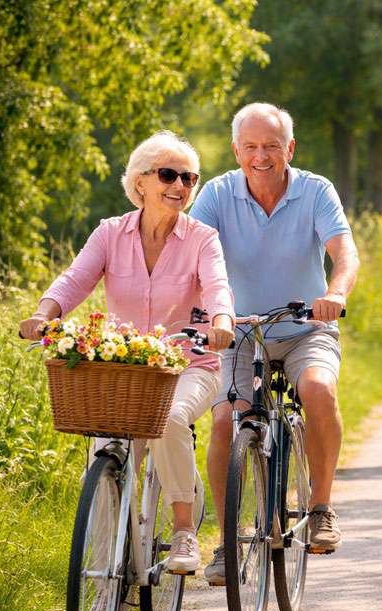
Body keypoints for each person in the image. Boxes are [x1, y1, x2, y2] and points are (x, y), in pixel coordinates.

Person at [19, 130, 235, 583]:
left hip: (188, 365)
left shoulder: (202, 238)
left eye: (189, 178)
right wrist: (44, 314)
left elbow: (217, 286)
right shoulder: (110, 233)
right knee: (99, 478)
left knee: (171, 419)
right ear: (140, 182)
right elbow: (75, 279)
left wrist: (222, 322)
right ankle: (102, 588)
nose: (180, 185)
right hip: (129, 373)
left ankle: (183, 531)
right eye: (168, 174)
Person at [189, 103, 359, 582]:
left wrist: (335, 293)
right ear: (236, 150)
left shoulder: (315, 190)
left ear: (289, 148)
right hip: (238, 330)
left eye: (270, 146)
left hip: (307, 326)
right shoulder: (218, 193)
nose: (260, 155)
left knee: (319, 390)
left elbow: (343, 251)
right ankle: (225, 541)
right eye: (250, 146)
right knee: (226, 418)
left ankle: (322, 506)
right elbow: (192, 251)